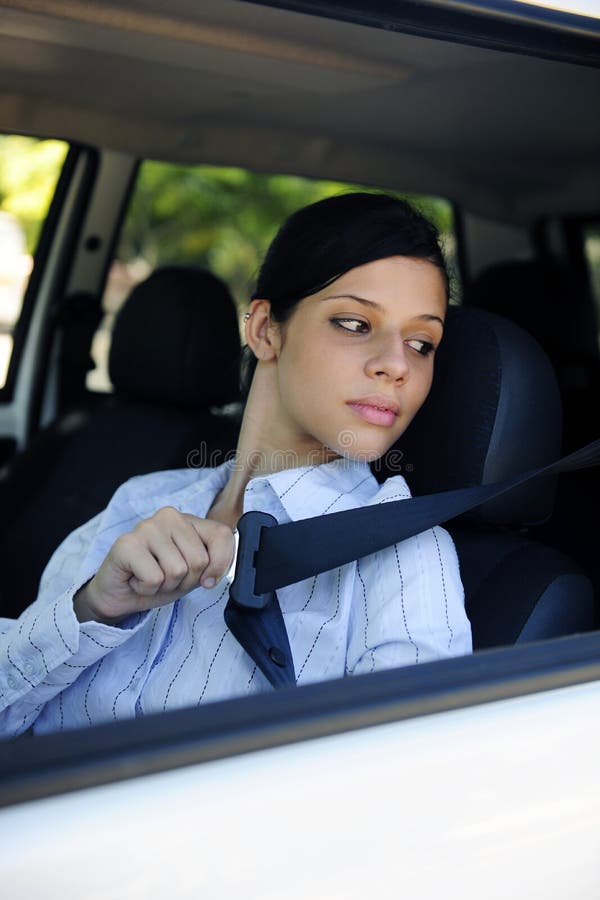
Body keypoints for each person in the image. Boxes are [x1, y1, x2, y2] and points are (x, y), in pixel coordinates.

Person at [0, 192, 472, 737]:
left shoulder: (405, 553)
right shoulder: (142, 501)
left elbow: (406, 785)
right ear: (265, 329)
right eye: (354, 323)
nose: (396, 365)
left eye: (421, 343)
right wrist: (95, 609)